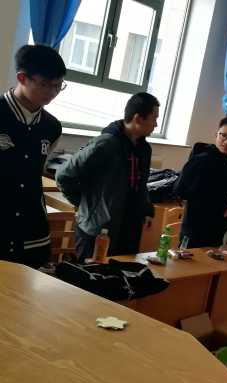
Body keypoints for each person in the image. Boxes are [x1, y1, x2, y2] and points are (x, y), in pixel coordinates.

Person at [56, 92, 159, 260]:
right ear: (138, 118)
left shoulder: (144, 149)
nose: (156, 124)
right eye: (154, 118)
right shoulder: (105, 144)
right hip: (97, 230)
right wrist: (85, 204)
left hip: (128, 230)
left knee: (121, 274)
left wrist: (147, 209)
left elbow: (140, 184)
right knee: (90, 275)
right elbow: (64, 175)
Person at [0, 45, 66, 268]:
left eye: (58, 85)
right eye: (45, 84)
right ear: (22, 78)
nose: (52, 92)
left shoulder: (52, 127)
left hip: (32, 232)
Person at [174, 116, 227, 248]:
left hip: (215, 229)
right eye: (223, 135)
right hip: (195, 229)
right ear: (216, 135)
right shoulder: (201, 160)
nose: (226, 141)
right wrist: (211, 202)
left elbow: (221, 194)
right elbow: (180, 191)